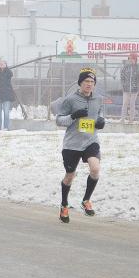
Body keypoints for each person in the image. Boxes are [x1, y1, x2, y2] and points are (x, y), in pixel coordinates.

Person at [55, 68, 105, 223]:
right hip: (72, 143)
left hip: (91, 140)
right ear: (80, 83)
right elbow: (59, 120)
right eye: (86, 82)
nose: (89, 84)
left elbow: (100, 115)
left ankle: (86, 200)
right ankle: (64, 204)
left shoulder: (98, 99)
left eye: (92, 82)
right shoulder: (70, 99)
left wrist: (101, 122)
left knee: (95, 168)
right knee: (70, 175)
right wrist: (74, 116)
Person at [0, 59, 15, 130]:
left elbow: (10, 74)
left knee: (6, 112)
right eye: (0, 63)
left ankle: (6, 127)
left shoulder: (8, 72)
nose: (1, 64)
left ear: (6, 64)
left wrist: (5, 68)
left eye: (3, 63)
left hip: (6, 95)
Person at [120, 53, 139, 122]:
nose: (131, 60)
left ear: (135, 59)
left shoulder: (138, 67)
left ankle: (131, 119)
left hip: (134, 89)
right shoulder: (125, 66)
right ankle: (122, 118)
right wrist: (123, 85)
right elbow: (122, 76)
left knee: (132, 104)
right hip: (126, 89)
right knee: (125, 103)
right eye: (129, 59)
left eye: (132, 59)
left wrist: (138, 87)